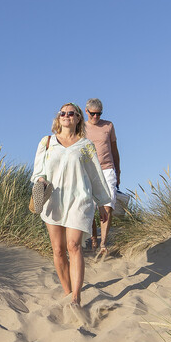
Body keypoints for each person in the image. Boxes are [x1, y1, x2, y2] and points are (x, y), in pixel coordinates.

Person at [32, 103, 113, 306]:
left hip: (79, 199)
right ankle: (67, 292)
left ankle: (76, 297)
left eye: (71, 113)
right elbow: (38, 171)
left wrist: (103, 202)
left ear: (78, 118)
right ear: (58, 118)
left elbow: (95, 176)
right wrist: (41, 181)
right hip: (53, 200)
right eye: (63, 113)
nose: (66, 115)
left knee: (73, 245)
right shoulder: (47, 142)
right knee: (58, 249)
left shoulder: (85, 145)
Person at [83, 98, 120, 254]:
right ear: (87, 112)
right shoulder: (81, 127)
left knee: (107, 206)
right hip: (88, 170)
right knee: (90, 207)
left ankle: (103, 244)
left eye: (99, 114)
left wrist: (118, 171)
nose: (96, 117)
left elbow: (114, 150)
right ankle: (93, 239)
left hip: (107, 169)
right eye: (93, 114)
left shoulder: (108, 126)